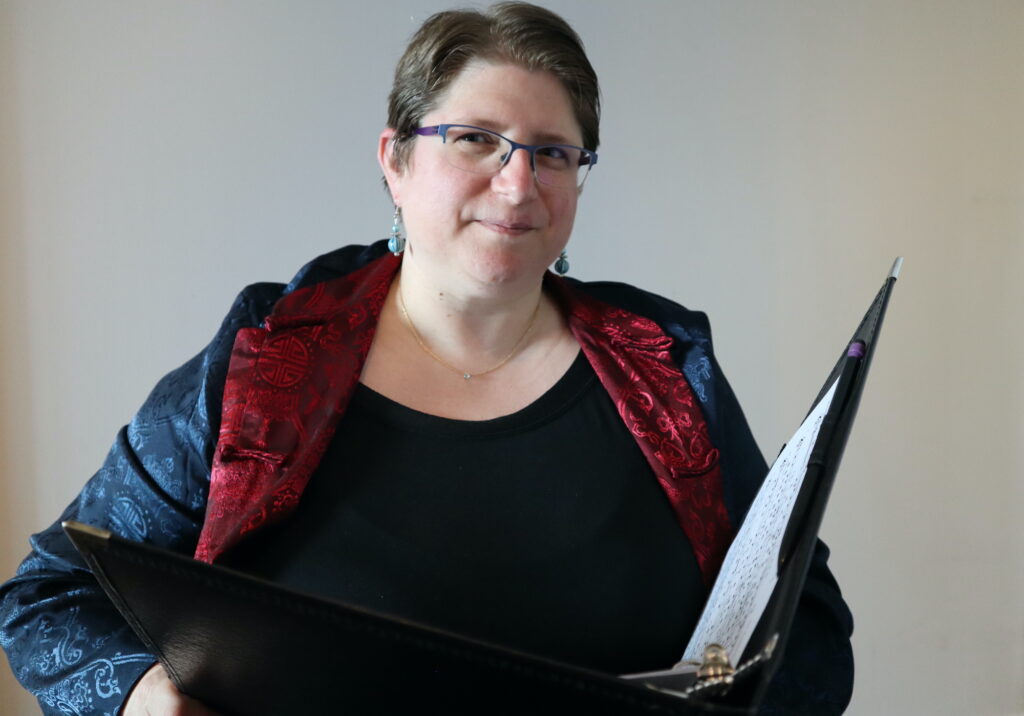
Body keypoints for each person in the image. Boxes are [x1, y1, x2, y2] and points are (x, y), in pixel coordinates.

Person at [0, 3, 853, 714]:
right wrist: (144, 696)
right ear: (396, 162)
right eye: (476, 139)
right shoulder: (266, 362)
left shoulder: (670, 372)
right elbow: (47, 598)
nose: (518, 185)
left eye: (552, 152)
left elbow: (804, 622)